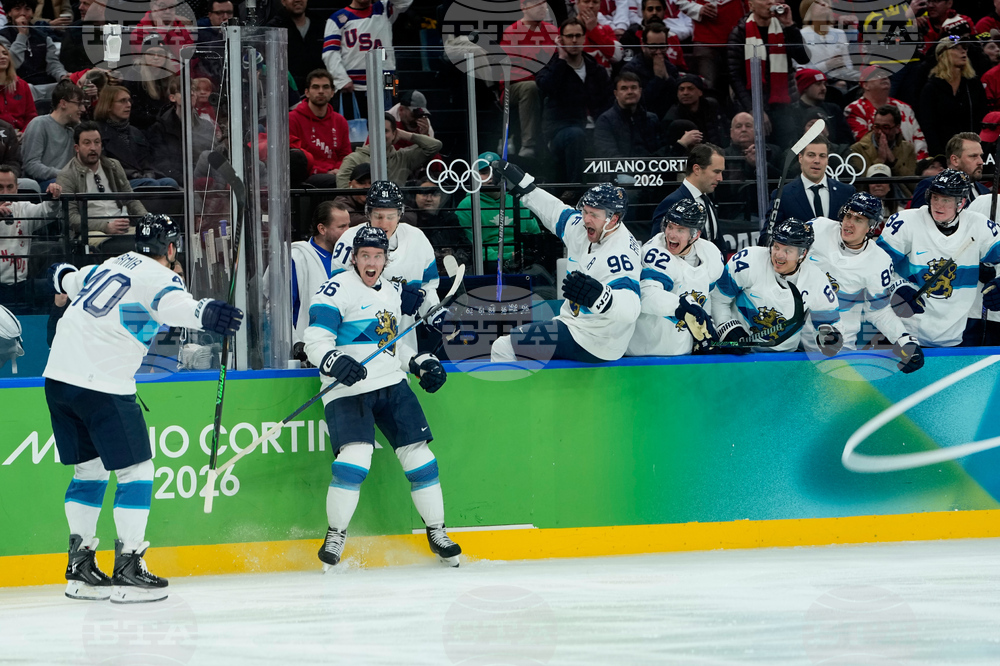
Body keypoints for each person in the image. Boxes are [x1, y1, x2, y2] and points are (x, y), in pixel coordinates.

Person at [44, 214, 243, 602]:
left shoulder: (107, 265)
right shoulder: (161, 277)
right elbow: (173, 304)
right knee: (137, 470)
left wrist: (62, 274)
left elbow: (60, 276)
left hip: (58, 378)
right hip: (101, 383)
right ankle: (129, 567)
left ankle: (81, 570)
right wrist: (207, 313)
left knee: (90, 470)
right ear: (171, 249)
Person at [302, 225, 461, 568]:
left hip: (391, 385)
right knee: (355, 459)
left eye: (378, 256)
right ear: (355, 258)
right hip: (348, 390)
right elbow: (314, 340)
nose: (371, 262)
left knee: (419, 457)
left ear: (386, 259)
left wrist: (417, 362)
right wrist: (334, 360)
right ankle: (336, 534)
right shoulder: (335, 289)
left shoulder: (390, 292)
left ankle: (437, 531)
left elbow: (390, 345)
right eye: (365, 256)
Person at [490, 161, 642, 364]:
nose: (586, 219)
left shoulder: (619, 254)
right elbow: (555, 212)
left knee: (504, 347)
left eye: (593, 215)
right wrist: (524, 185)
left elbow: (631, 307)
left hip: (594, 340)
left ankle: (509, 397)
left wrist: (601, 297)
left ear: (613, 219)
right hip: (575, 324)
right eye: (585, 211)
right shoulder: (587, 226)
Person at [877, 169, 1000, 347]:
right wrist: (896, 286)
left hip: (955, 335)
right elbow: (874, 264)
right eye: (935, 197)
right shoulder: (906, 223)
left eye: (946, 200)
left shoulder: (979, 226)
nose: (938, 205)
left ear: (962, 203)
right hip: (905, 332)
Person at [806, 192, 924, 370]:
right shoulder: (818, 228)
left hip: (839, 349)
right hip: (797, 341)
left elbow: (878, 311)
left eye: (859, 220)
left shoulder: (879, 262)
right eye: (848, 215)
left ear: (871, 227)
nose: (849, 223)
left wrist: (904, 340)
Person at [328, 181, 440, 350]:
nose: (384, 223)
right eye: (378, 216)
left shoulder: (417, 239)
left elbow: (427, 287)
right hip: (358, 342)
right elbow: (342, 291)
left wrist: (433, 312)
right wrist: (396, 292)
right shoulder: (348, 241)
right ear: (368, 214)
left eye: (390, 217)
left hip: (404, 344)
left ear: (400, 214)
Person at [711, 217, 844, 354]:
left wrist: (830, 337)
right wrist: (726, 326)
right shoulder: (748, 261)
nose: (779, 255)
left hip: (785, 359)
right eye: (776, 246)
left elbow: (830, 323)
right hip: (741, 354)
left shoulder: (816, 280)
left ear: (803, 253)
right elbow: (718, 297)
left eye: (787, 251)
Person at [626, 199, 723, 356]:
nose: (671, 234)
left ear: (695, 235)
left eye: (680, 230)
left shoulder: (710, 254)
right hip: (644, 352)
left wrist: (709, 326)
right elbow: (648, 296)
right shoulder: (654, 252)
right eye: (670, 226)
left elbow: (707, 298)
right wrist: (684, 306)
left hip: (682, 352)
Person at [535, 17, 613, 184]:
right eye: (569, 36)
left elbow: (607, 102)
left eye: (578, 35)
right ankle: (574, 188)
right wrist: (561, 59)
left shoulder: (596, 69)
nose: (574, 40)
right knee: (576, 135)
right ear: (560, 39)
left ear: (585, 38)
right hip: (561, 130)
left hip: (595, 128)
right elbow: (546, 87)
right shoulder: (552, 65)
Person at [57, 121, 148, 254]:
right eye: (87, 143)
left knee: (151, 239)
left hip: (123, 229)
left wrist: (148, 220)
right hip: (92, 232)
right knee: (122, 246)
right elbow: (71, 218)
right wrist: (105, 227)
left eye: (97, 142)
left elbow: (130, 199)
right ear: (77, 147)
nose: (93, 148)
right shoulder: (67, 175)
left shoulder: (113, 166)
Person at [727, 0, 809, 134]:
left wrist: (789, 25)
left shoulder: (784, 28)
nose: (770, 2)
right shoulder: (740, 33)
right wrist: (754, 109)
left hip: (785, 104)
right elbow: (735, 76)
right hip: (753, 104)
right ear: (751, 5)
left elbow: (803, 58)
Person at [322, 0, 413, 118]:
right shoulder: (337, 18)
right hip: (353, 85)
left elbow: (406, 2)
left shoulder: (383, 8)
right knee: (355, 130)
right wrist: (342, 79)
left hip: (388, 78)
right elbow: (330, 52)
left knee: (389, 124)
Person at [455, 152, 542, 266]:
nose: (491, 176)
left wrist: (523, 255)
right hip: (487, 266)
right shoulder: (466, 206)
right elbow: (470, 249)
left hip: (524, 263)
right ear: (474, 176)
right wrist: (507, 257)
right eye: (485, 172)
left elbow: (535, 236)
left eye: (495, 171)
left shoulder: (519, 201)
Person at [499, 0, 559, 159]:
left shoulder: (553, 31)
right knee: (530, 87)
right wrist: (542, 77)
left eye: (545, 3)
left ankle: (558, 139)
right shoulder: (512, 32)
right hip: (513, 87)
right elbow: (510, 71)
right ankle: (528, 144)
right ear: (523, 6)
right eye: (537, 3)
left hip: (547, 81)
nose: (543, 7)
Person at [291, 200, 352, 349]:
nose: (348, 232)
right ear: (322, 229)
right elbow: (275, 310)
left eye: (349, 225)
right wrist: (295, 342)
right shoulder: (297, 258)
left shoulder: (353, 258)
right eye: (342, 227)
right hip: (307, 351)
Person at [95, 85, 178, 189]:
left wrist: (149, 172)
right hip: (117, 181)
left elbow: (149, 160)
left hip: (141, 178)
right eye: (122, 101)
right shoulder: (97, 131)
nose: (128, 105)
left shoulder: (135, 132)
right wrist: (133, 174)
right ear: (108, 106)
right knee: (150, 185)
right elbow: (102, 165)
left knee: (169, 183)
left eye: (129, 101)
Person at [0, 165, 61, 305]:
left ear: (17, 187)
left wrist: (53, 197)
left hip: (21, 285)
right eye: (0, 187)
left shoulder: (23, 208)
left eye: (10, 187)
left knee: (57, 287)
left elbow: (47, 212)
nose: (5, 192)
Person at [918, 38, 987, 157]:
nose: (963, 51)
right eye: (956, 48)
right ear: (942, 55)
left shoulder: (973, 84)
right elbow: (928, 126)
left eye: (964, 48)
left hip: (973, 152)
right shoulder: (931, 88)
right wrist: (939, 156)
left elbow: (982, 116)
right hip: (944, 153)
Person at [767, 136, 856, 227]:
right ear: (800, 158)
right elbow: (768, 235)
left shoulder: (846, 192)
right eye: (811, 155)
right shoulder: (782, 195)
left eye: (822, 156)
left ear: (827, 160)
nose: (817, 161)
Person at [335, 114, 442, 188]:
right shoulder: (353, 159)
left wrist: (406, 135)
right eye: (376, 131)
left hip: (396, 212)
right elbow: (343, 191)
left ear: (394, 134)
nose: (380, 135)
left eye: (385, 131)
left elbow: (435, 146)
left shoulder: (403, 157)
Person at [650, 143, 725, 247]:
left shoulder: (706, 199)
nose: (720, 178)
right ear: (697, 169)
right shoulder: (672, 202)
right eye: (716, 172)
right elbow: (658, 248)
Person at [845, 66, 928, 160]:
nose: (884, 77)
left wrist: (920, 164)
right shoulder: (854, 109)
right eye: (877, 75)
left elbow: (919, 139)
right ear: (865, 85)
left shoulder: (904, 107)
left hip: (910, 165)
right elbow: (864, 144)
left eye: (886, 75)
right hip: (874, 163)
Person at [289, 69, 352, 188]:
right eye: (316, 87)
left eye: (326, 87)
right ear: (307, 92)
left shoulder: (340, 121)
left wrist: (338, 170)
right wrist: (325, 172)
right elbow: (296, 159)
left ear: (333, 92)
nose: (321, 91)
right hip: (307, 176)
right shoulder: (291, 119)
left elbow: (346, 155)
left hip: (335, 174)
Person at [0, 0, 70, 100]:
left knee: (68, 88)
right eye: (17, 9)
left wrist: (62, 75)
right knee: (29, 89)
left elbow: (53, 64)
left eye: (27, 9)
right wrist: (21, 35)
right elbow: (12, 63)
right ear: (9, 13)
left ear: (32, 13)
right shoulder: (2, 37)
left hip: (45, 83)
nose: (23, 13)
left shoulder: (43, 37)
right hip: (19, 84)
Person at [20, 80, 83, 188]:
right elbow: (31, 165)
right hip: (45, 183)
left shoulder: (73, 131)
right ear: (63, 103)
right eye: (78, 104)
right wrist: (63, 174)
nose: (83, 109)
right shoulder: (39, 124)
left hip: (68, 182)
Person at [847, 104, 917, 198]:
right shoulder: (858, 149)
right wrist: (880, 160)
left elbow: (913, 186)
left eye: (885, 127)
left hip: (902, 201)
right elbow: (860, 186)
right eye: (877, 127)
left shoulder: (908, 149)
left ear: (897, 128)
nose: (880, 132)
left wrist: (893, 161)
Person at [908, 132, 988, 209]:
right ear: (955, 160)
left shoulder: (985, 191)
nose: (981, 162)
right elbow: (917, 220)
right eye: (973, 156)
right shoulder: (930, 186)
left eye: (980, 156)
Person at [593, 70, 661, 158]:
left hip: (652, 169)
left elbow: (662, 150)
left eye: (633, 87)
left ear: (640, 91)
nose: (630, 92)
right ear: (616, 94)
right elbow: (608, 155)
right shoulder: (605, 120)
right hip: (621, 170)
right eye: (624, 88)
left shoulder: (652, 119)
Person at [620, 21, 679, 119]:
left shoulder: (670, 68)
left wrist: (667, 77)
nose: (658, 52)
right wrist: (658, 79)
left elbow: (678, 98)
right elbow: (638, 101)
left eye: (662, 47)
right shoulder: (630, 69)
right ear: (643, 45)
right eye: (653, 47)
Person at [264, 0, 325, 93]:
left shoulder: (321, 25)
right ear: (283, 1)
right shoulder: (273, 28)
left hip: (319, 90)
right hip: (288, 91)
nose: (297, 0)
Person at [659, 73, 727, 149]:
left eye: (690, 88)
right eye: (681, 89)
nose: (685, 93)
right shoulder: (671, 118)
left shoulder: (711, 106)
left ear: (700, 92)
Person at [797, 0, 854, 83]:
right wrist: (826, 65)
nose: (824, 4)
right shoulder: (800, 35)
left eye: (826, 2)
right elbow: (800, 70)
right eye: (818, 3)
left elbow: (848, 63)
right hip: (813, 83)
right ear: (807, 9)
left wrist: (844, 76)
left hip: (841, 81)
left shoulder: (840, 33)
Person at [576, 0, 624, 73]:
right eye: (586, 2)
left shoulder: (607, 29)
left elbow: (617, 56)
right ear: (578, 4)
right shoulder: (566, 29)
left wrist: (594, 30)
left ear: (600, 5)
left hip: (603, 80)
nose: (591, 6)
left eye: (595, 2)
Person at [0, 42, 36, 132]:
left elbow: (31, 116)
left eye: (5, 53)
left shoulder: (22, 85)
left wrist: (23, 132)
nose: (3, 56)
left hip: (21, 134)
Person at [333, 161, 371, 226]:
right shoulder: (341, 201)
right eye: (361, 183)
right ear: (350, 184)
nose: (367, 187)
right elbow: (351, 220)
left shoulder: (381, 199)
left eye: (371, 183)